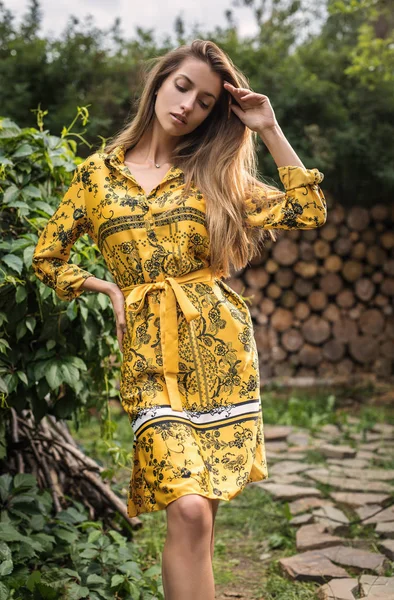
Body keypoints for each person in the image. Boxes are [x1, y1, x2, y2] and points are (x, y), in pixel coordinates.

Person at [32, 39, 327, 600]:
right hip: (149, 357)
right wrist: (107, 287)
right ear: (161, 82)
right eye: (184, 86)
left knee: (200, 521)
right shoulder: (97, 176)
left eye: (207, 101)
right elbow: (47, 258)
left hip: (220, 352)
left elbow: (308, 210)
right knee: (188, 510)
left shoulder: (214, 173)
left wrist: (267, 127)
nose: (189, 104)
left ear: (216, 113)